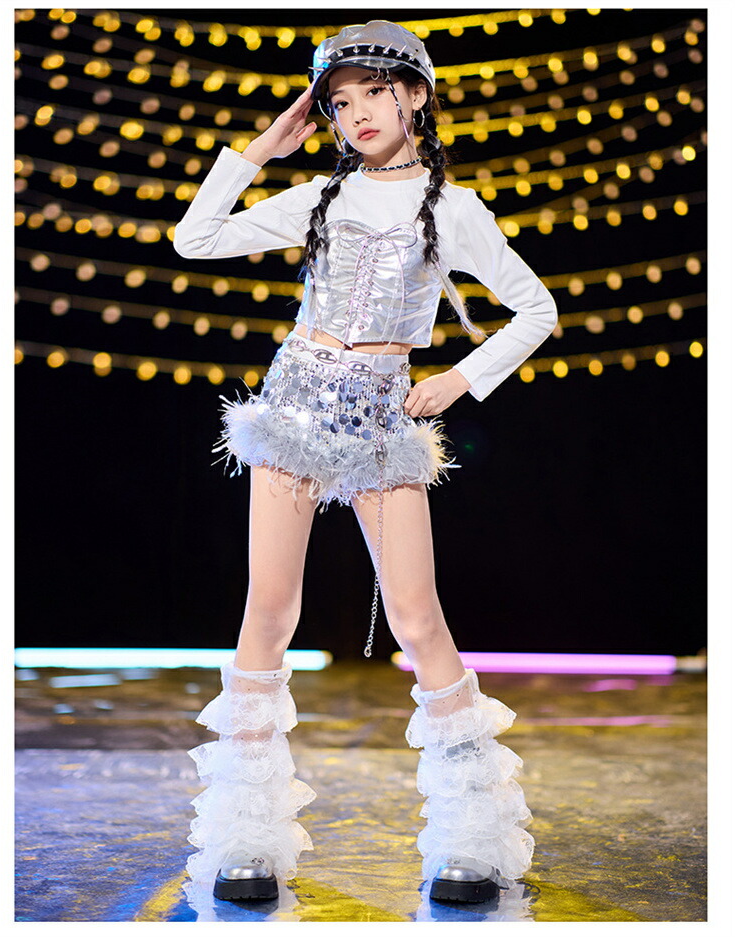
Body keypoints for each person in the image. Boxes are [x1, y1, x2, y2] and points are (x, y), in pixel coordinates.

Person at [174, 20, 557, 909]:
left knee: (418, 617)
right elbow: (195, 238)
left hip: (384, 412)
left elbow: (534, 308)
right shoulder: (318, 195)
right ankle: (247, 837)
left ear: (417, 94)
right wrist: (260, 151)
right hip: (297, 399)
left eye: (374, 93)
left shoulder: (454, 209)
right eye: (339, 103)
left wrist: (460, 378)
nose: (356, 114)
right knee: (270, 609)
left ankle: (470, 837)